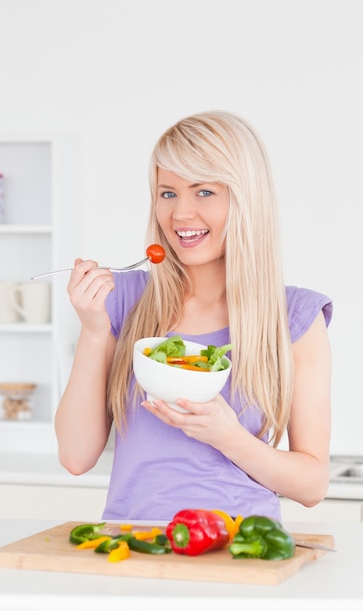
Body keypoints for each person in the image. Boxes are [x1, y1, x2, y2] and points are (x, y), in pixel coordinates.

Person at [55, 110, 332, 522]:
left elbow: (312, 486)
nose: (181, 214)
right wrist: (95, 331)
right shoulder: (123, 302)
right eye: (168, 193)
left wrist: (228, 436)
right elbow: (76, 457)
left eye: (203, 192)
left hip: (240, 554)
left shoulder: (293, 317)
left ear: (245, 198)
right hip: (133, 551)